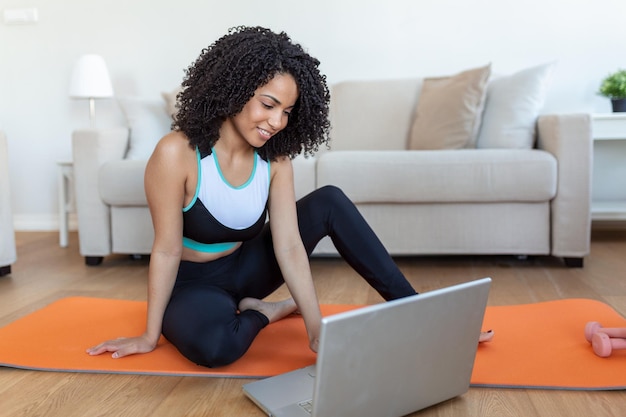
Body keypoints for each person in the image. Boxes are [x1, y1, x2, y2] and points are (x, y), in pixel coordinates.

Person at [86, 26, 418, 368]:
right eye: (269, 104)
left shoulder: (275, 161)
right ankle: (266, 313)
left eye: (287, 111)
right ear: (235, 90)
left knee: (329, 201)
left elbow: (289, 246)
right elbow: (167, 249)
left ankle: (420, 312)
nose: (277, 121)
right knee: (216, 348)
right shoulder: (176, 153)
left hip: (246, 270)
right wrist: (149, 336)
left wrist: (316, 329)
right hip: (194, 285)